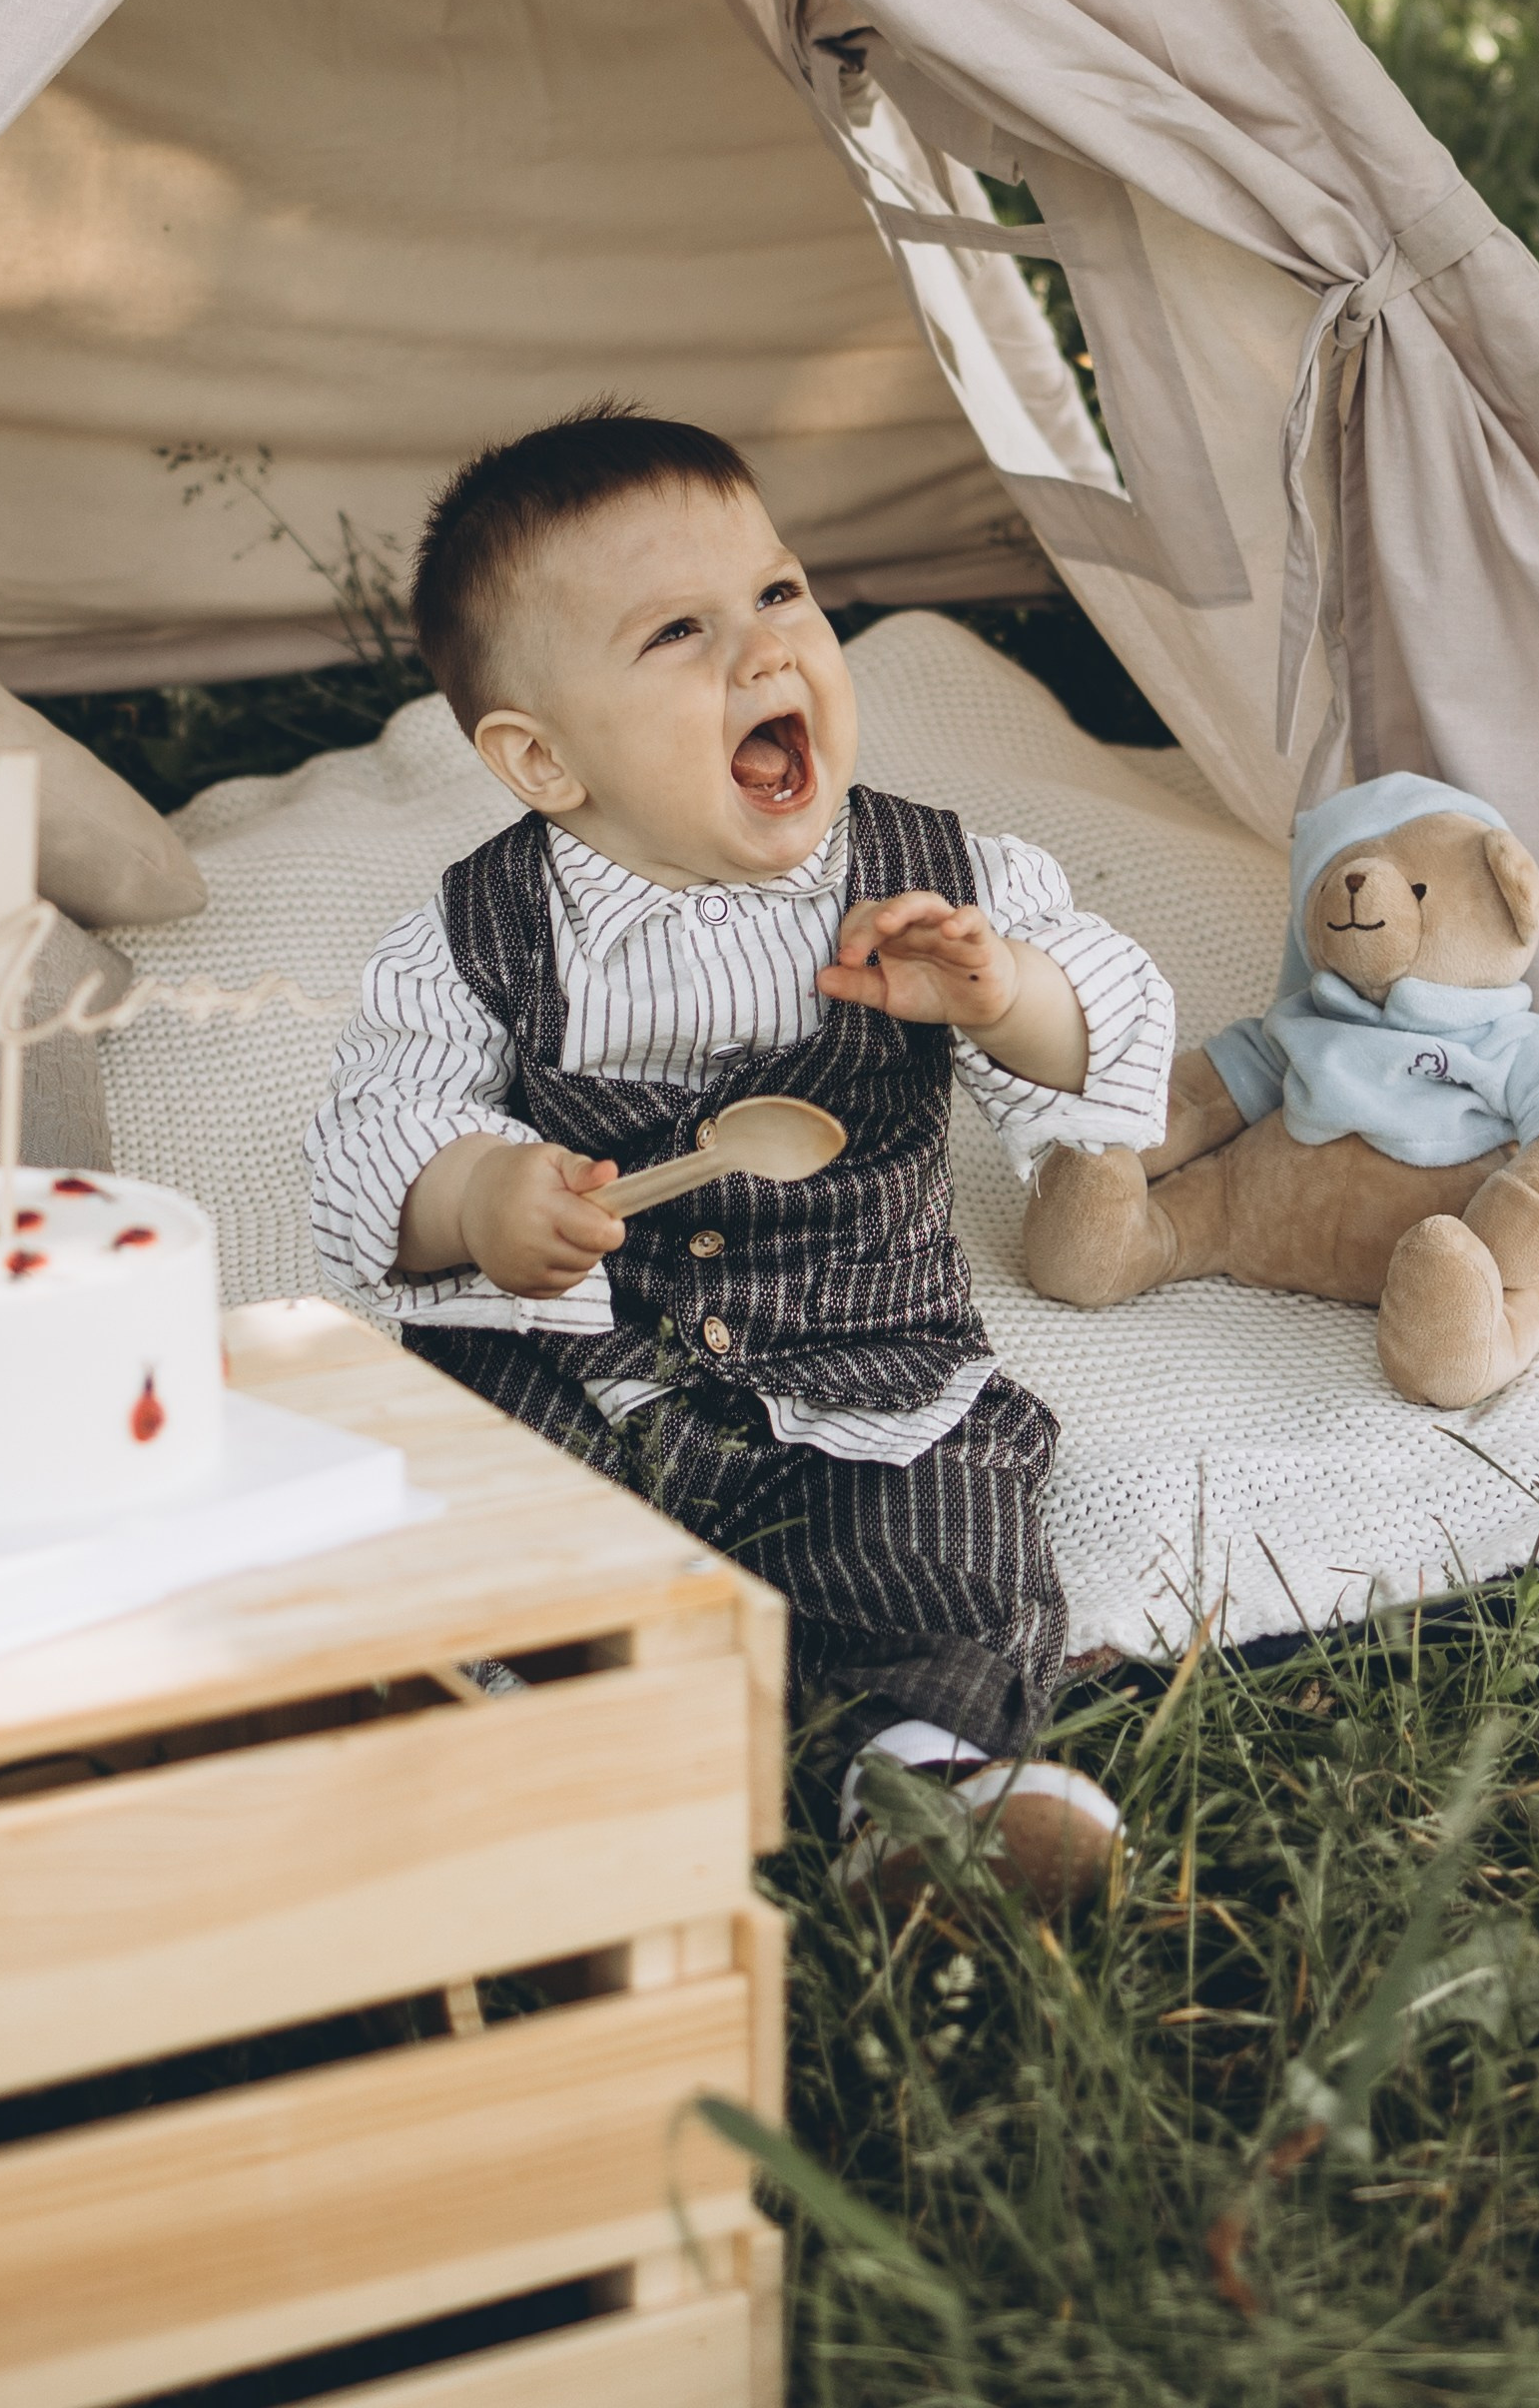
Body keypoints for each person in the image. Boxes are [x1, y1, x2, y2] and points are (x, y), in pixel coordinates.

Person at [306, 406, 1173, 1905]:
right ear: (542, 759)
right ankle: (534, 1751)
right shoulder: (473, 937)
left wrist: (1000, 994)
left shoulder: (945, 882)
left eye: (781, 595)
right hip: (582, 1361)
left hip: (866, 1372)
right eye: (680, 635)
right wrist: (478, 1197)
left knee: (949, 1540)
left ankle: (922, 1784)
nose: (769, 654)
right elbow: (373, 1132)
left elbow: (1119, 1038)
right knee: (459, 1508)